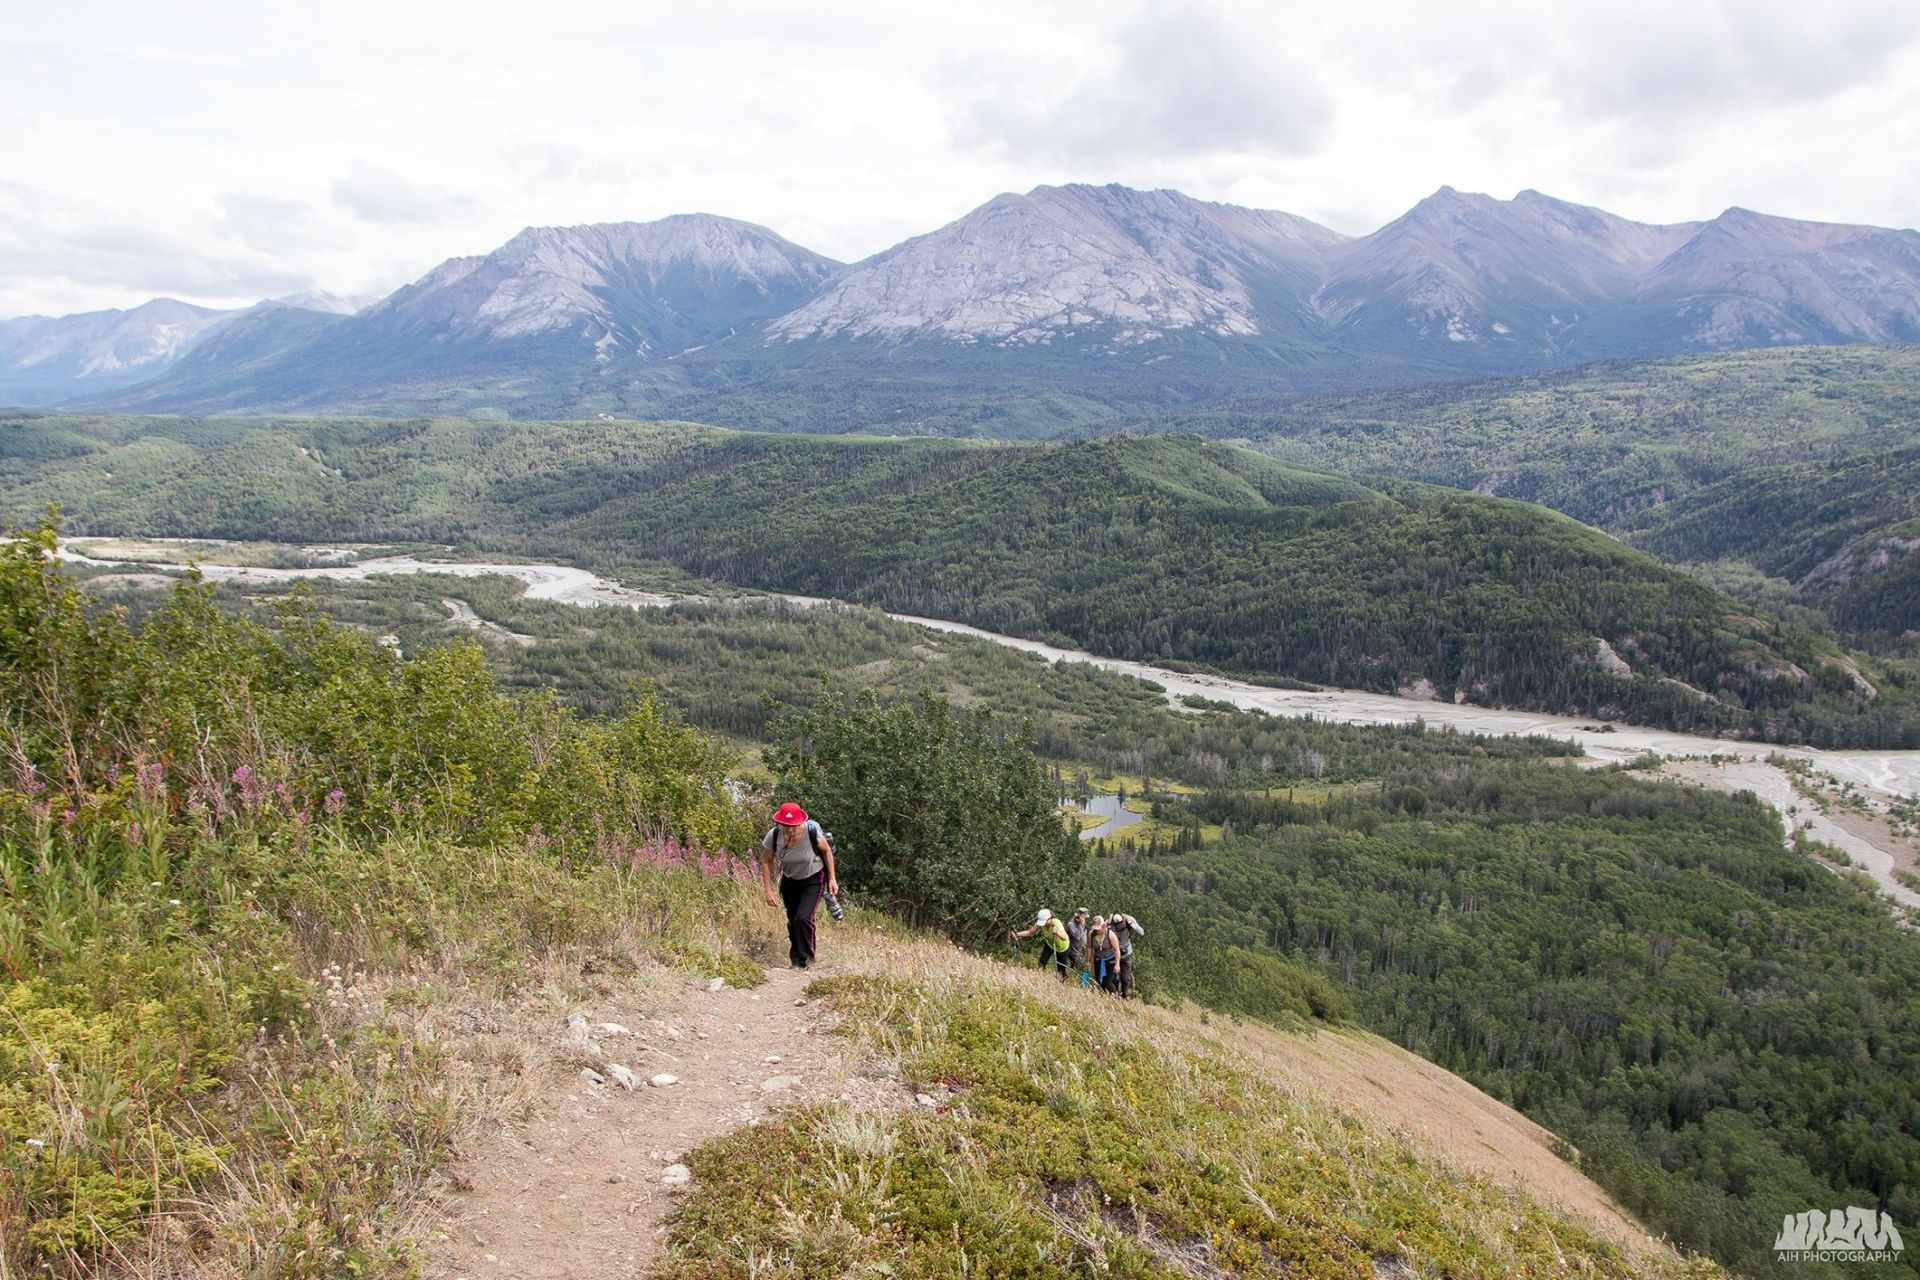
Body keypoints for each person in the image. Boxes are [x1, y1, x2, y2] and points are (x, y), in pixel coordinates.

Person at [759, 801, 837, 969]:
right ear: (780, 823)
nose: (790, 829)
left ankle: (807, 958)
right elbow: (766, 861)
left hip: (813, 879)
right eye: (787, 825)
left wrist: (832, 879)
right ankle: (795, 959)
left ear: (800, 822)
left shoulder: (811, 832)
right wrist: (768, 891)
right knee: (793, 921)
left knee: (803, 918)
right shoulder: (773, 836)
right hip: (790, 881)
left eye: (793, 825)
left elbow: (827, 851)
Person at [1009, 907, 1072, 980]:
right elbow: (1030, 932)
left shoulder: (1056, 923)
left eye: (1044, 922)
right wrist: (1017, 934)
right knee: (1041, 962)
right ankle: (1040, 980)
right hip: (1049, 945)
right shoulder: (1041, 924)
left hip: (1062, 948)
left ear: (1049, 919)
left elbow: (1065, 937)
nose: (1043, 924)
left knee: (1061, 971)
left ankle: (1063, 984)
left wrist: (1057, 932)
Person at [1107, 910, 1145, 998]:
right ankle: (1115, 995)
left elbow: (1141, 932)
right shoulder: (1110, 923)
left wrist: (1132, 924)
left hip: (1126, 953)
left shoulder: (1129, 921)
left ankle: (1125, 996)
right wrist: (1108, 924)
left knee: (1124, 978)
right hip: (1114, 953)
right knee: (1114, 978)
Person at [1087, 915, 1122, 994]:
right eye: (1095, 928)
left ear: (1103, 926)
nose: (1097, 930)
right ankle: (1104, 998)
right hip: (1098, 960)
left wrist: (1117, 964)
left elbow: (1117, 950)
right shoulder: (1091, 934)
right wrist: (1088, 961)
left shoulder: (1110, 934)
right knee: (1099, 981)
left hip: (1110, 961)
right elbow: (1089, 947)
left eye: (1098, 928)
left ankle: (1116, 997)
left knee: (1107, 982)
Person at [1066, 907, 1090, 982]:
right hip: (1073, 951)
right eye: (1083, 917)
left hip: (1081, 951)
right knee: (1078, 968)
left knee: (1078, 968)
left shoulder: (1083, 924)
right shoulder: (1071, 924)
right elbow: (1078, 936)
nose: (1084, 919)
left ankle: (1076, 982)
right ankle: (1073, 982)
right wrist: (1081, 925)